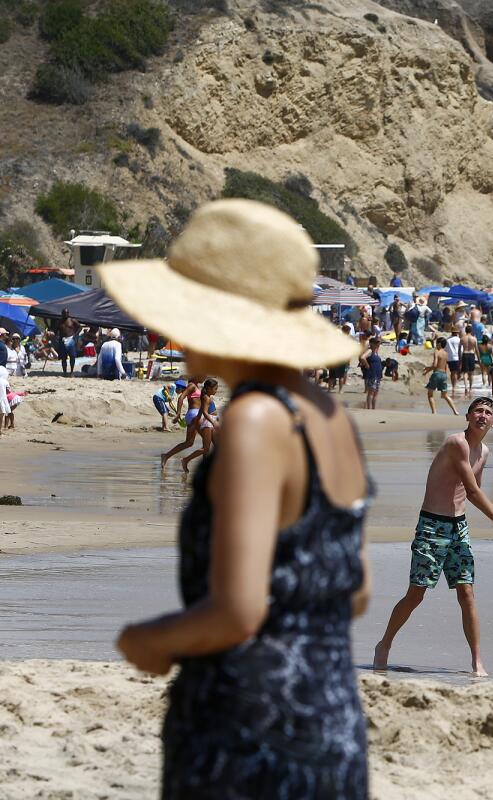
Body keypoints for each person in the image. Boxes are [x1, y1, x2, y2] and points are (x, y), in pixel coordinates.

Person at [107, 199, 373, 797]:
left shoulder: (255, 421)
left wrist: (149, 640)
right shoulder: (329, 416)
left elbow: (237, 611)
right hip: (330, 723)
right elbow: (355, 591)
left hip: (246, 732)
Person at [374, 396, 493, 677]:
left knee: (467, 593)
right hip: (432, 526)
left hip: (459, 528)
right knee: (416, 594)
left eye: (488, 412)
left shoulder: (485, 452)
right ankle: (384, 644)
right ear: (467, 417)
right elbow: (473, 488)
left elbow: (472, 494)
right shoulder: (457, 444)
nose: (482, 415)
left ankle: (477, 661)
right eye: (477, 411)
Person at [160, 376, 207, 468]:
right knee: (207, 442)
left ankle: (166, 456)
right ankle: (202, 466)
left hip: (194, 415)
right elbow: (181, 397)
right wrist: (178, 414)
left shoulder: (195, 386)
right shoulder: (192, 385)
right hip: (194, 415)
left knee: (189, 443)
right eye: (203, 375)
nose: (204, 378)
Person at [181, 379, 220, 474]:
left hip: (212, 421)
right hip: (208, 423)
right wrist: (213, 422)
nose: (216, 390)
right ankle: (186, 460)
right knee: (206, 448)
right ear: (209, 388)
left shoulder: (206, 397)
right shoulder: (206, 398)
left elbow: (201, 411)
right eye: (215, 389)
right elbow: (205, 412)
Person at [421, 337, 458, 415]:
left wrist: (427, 370)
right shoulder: (446, 353)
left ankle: (434, 412)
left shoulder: (436, 352)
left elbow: (435, 365)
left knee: (430, 394)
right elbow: (445, 366)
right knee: (445, 395)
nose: (435, 345)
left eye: (436, 343)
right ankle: (455, 411)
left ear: (439, 344)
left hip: (437, 373)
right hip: (444, 374)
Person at [360, 336, 383, 410]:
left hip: (377, 375)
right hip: (372, 374)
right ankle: (369, 408)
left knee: (376, 392)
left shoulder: (376, 351)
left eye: (378, 343)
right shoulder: (370, 351)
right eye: (376, 343)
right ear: (371, 344)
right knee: (371, 392)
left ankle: (373, 408)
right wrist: (367, 365)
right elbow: (362, 357)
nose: (378, 344)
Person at [460, 327, 478, 395]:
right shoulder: (474, 339)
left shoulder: (462, 338)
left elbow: (459, 349)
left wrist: (459, 357)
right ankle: (470, 388)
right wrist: (478, 359)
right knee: (471, 372)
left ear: (465, 331)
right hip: (471, 354)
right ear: (471, 331)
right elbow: (476, 349)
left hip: (464, 354)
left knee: (465, 372)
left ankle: (466, 387)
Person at [445, 326, 462, 396]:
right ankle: (454, 387)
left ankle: (453, 385)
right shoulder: (459, 340)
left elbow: (446, 350)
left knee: (453, 372)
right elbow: (461, 350)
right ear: (457, 333)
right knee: (455, 373)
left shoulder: (448, 340)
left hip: (450, 358)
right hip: (457, 357)